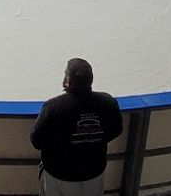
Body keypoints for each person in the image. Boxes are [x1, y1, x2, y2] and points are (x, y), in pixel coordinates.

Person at [30, 58, 123, 196]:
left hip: (58, 174)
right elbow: (116, 129)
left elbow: (36, 140)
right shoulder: (108, 103)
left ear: (68, 81)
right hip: (93, 172)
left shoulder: (53, 108)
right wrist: (93, 140)